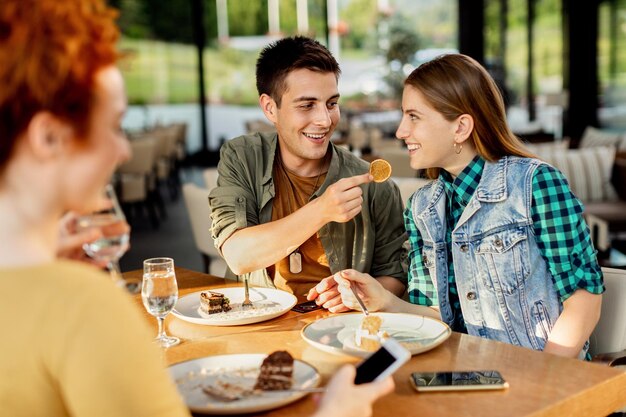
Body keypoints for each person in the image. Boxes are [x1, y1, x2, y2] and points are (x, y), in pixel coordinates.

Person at [0, 1, 393, 415]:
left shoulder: (47, 295)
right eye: (113, 126)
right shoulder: (85, 307)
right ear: (47, 138)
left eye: (331, 102)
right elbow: (239, 254)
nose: (124, 150)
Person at [334, 54, 603, 360]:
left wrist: (540, 379)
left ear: (460, 127)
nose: (400, 131)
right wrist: (383, 300)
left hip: (545, 382)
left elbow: (583, 301)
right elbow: (438, 316)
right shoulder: (421, 207)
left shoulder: (536, 184)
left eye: (414, 117)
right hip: (468, 376)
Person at [209, 36, 407, 311]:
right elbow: (239, 256)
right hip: (255, 320)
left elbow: (395, 274)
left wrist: (357, 296)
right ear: (270, 108)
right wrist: (322, 210)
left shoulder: (373, 184)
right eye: (306, 105)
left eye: (331, 103)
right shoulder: (242, 157)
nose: (325, 121)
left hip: (337, 328)